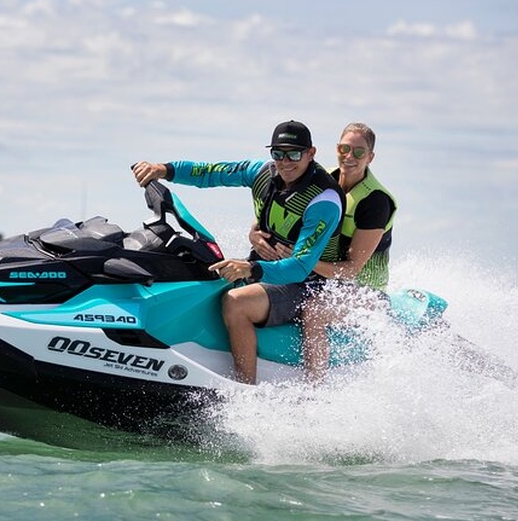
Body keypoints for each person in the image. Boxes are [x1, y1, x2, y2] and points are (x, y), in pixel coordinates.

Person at [132, 120, 345, 384]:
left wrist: (251, 268)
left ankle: (244, 389)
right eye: (278, 153)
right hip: (266, 269)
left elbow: (301, 267)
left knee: (236, 302)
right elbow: (211, 172)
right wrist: (164, 170)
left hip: (307, 285)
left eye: (294, 154)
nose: (285, 161)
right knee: (199, 273)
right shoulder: (261, 172)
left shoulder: (323, 200)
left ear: (311, 153)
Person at [249, 122, 397, 381]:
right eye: (344, 148)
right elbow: (270, 214)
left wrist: (301, 258)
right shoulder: (320, 181)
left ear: (370, 157)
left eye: (359, 152)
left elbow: (351, 270)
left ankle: (315, 388)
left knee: (314, 311)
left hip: (364, 291)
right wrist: (254, 235)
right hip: (320, 279)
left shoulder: (375, 202)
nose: (349, 157)